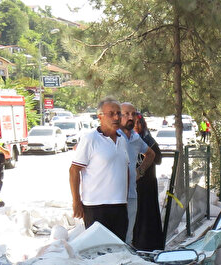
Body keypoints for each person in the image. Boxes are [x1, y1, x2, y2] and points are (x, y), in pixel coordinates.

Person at [70, 98, 130, 240]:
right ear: (100, 117)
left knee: (119, 249)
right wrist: (76, 202)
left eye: (118, 113)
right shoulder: (90, 139)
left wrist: (125, 198)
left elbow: (125, 169)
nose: (116, 117)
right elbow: (74, 170)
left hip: (120, 206)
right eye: (111, 114)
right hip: (96, 207)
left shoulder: (122, 140)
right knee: (99, 252)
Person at [120, 102, 156, 242]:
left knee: (128, 236)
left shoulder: (136, 138)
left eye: (133, 114)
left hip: (131, 194)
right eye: (126, 114)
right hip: (113, 195)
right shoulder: (112, 136)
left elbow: (151, 154)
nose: (130, 117)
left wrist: (139, 172)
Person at [131, 113, 165, 250]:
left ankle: (149, 245)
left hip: (147, 184)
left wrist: (144, 161)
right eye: (134, 123)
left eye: (139, 124)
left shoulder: (147, 139)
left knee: (148, 214)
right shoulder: (126, 139)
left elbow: (158, 159)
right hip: (133, 185)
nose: (137, 126)